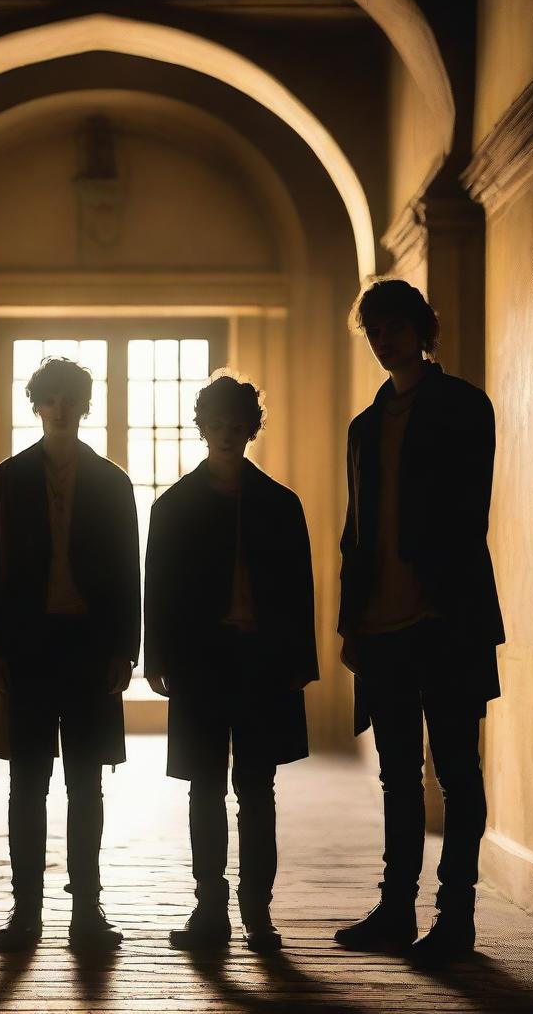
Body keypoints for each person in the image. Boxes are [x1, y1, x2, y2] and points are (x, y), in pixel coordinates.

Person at [334, 279, 504, 967]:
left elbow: (470, 512)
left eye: (396, 326)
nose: (385, 339)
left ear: (422, 329)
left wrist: (439, 593)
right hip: (382, 625)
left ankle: (455, 917)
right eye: (375, 330)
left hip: (446, 617)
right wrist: (352, 621)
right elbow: (357, 529)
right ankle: (396, 910)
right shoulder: (366, 425)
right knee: (398, 776)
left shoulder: (464, 406)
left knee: (457, 772)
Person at [144, 374, 319, 953]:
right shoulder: (174, 506)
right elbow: (159, 590)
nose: (225, 433)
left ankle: (256, 911)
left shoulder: (280, 504)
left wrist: (301, 660)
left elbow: (301, 591)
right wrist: (158, 658)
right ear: (203, 428)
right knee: (205, 789)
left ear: (249, 428)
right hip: (201, 661)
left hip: (262, 661)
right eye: (216, 424)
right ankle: (211, 907)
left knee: (257, 789)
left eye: (234, 424)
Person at [0, 357, 140, 952]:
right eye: (52, 398)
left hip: (91, 648)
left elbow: (128, 573)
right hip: (28, 648)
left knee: (86, 784)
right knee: (28, 783)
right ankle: (27, 912)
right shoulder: (8, 480)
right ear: (38, 404)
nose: (61, 407)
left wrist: (126, 648)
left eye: (70, 398)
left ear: (83, 404)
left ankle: (86, 909)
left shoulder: (112, 482)